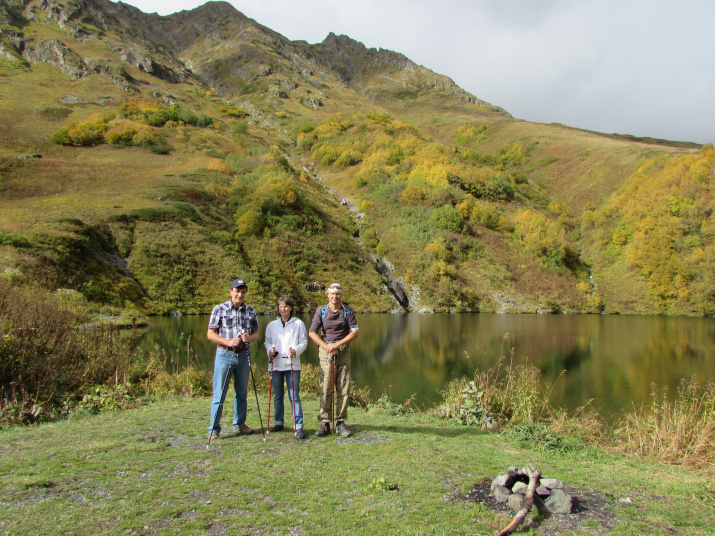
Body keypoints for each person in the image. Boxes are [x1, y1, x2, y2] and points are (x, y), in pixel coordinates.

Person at [206, 278, 259, 440]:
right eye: (237, 291)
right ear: (231, 292)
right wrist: (228, 341)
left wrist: (249, 338)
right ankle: (214, 429)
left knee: (242, 393)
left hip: (244, 355)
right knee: (219, 394)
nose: (240, 295)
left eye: (243, 292)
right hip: (224, 354)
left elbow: (256, 333)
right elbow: (210, 334)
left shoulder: (250, 311)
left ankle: (240, 424)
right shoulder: (219, 309)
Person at [308, 283, 359, 437]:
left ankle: (341, 422)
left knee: (343, 386)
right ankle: (325, 422)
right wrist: (326, 346)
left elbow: (354, 332)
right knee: (325, 386)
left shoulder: (347, 311)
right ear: (328, 295)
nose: (335, 296)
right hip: (325, 351)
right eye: (332, 294)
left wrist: (337, 345)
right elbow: (312, 332)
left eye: (337, 293)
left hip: (343, 350)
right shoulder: (321, 311)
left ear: (341, 295)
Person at [264, 296, 309, 440]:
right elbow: (267, 342)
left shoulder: (298, 323)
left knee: (294, 396)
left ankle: (299, 426)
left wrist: (296, 350)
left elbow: (303, 342)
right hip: (276, 364)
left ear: (290, 308)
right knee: (278, 395)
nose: (282, 309)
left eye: (285, 306)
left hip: (292, 364)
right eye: (280, 306)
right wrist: (270, 351)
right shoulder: (272, 325)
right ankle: (278, 422)